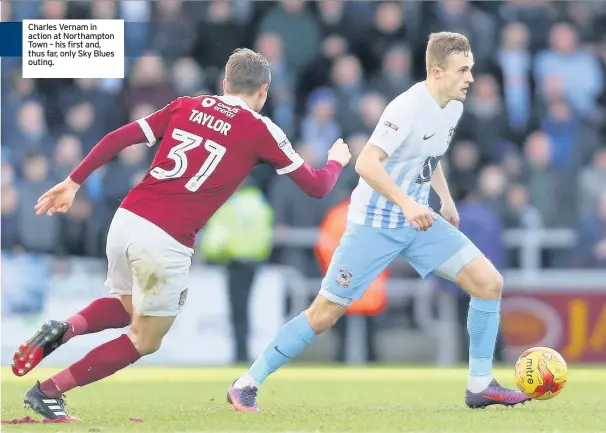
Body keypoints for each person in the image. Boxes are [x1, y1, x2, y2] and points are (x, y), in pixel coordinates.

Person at [12, 48, 352, 422]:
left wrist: (73, 182)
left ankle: (67, 327)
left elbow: (116, 138)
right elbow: (318, 187)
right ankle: (48, 391)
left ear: (225, 82)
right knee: (145, 339)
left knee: (127, 306)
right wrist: (336, 159)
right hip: (166, 239)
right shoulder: (262, 129)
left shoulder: (186, 105)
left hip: (127, 217)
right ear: (264, 91)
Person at [228, 32, 530, 412]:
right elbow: (367, 163)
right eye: (463, 70)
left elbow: (430, 157)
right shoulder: (405, 108)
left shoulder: (452, 106)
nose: (471, 77)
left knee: (488, 283)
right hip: (375, 224)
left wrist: (446, 200)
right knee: (323, 314)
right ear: (437, 71)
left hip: (419, 221)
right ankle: (246, 383)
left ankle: (480, 384)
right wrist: (406, 203)